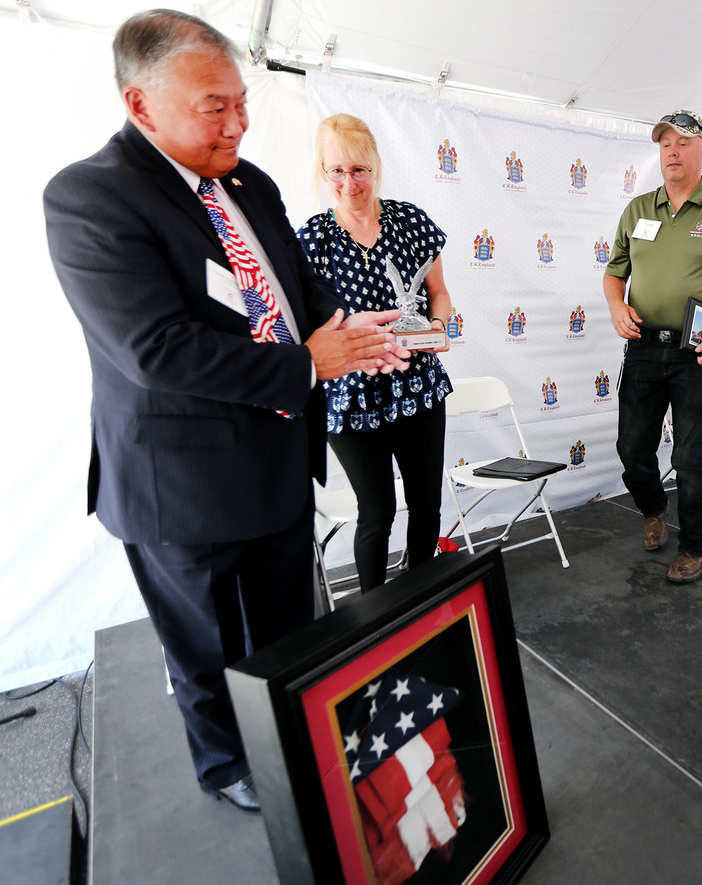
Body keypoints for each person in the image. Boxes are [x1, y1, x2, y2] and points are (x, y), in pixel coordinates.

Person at [43, 9, 408, 813]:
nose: (239, 121)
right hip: (183, 486)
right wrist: (310, 362)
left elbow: (294, 285)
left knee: (289, 629)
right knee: (204, 649)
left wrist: (341, 329)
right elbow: (157, 348)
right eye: (216, 106)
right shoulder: (89, 198)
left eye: (242, 101)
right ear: (141, 105)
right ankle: (228, 765)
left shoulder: (249, 181)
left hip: (276, 456)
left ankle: (295, 737)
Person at [297, 114, 453, 592]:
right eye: (337, 170)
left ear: (376, 167)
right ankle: (376, 622)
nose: (349, 182)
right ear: (323, 173)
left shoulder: (411, 221)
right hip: (350, 396)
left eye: (359, 169)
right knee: (377, 512)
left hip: (418, 386)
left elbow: (439, 293)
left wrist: (439, 327)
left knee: (427, 503)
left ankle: (422, 601)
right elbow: (303, 325)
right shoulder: (311, 240)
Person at [604, 110, 702, 584]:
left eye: (683, 143)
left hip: (699, 351)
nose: (672, 150)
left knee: (690, 456)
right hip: (645, 346)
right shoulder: (638, 209)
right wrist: (615, 306)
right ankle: (653, 509)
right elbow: (615, 273)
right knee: (632, 448)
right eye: (665, 143)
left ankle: (694, 546)